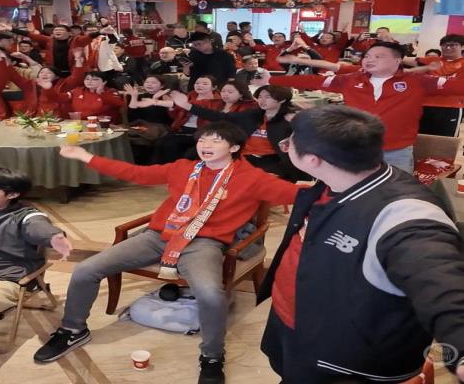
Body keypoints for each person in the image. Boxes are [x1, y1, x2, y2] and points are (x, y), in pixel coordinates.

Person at [32, 121, 299, 384]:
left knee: (210, 293)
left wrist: (321, 179)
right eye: (202, 139)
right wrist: (85, 156)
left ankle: (212, 356)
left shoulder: (252, 178)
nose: (205, 145)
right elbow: (135, 173)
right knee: (85, 269)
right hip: (159, 236)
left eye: (216, 140)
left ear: (234, 147)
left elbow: (297, 194)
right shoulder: (183, 168)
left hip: (204, 243)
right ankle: (73, 329)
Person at [258, 104, 464, 383]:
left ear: (313, 159)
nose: (285, 146)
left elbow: (439, 280)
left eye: (288, 143)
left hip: (343, 361)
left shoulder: (405, 215)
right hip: (295, 325)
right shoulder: (335, 181)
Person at [270, 42, 464, 173]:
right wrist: (271, 79)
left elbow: (458, 86)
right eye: (367, 56)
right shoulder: (352, 78)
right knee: (351, 194)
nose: (370, 59)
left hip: (397, 152)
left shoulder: (418, 81)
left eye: (379, 56)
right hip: (355, 148)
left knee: (396, 194)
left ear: (398, 60)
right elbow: (313, 81)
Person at [0, 166, 72, 383]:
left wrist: (54, 237)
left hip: (3, 279)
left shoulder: (24, 216)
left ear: (12, 194)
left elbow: (38, 227)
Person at [170, 85, 304, 182]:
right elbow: (221, 117)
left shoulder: (292, 118)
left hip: (271, 159)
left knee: (252, 180)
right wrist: (187, 105)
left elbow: (308, 137)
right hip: (244, 155)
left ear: (281, 100)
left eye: (268, 97)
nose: (262, 101)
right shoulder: (253, 115)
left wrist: (300, 122)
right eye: (259, 97)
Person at [406, 34, 464, 137]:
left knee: (446, 141)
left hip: (451, 107)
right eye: (444, 45)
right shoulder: (432, 61)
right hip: (424, 106)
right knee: (419, 138)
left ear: (462, 47)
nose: (448, 48)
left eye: (453, 45)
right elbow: (402, 59)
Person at [0, 23, 96, 77]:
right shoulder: (49, 40)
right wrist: (12, 29)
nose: (57, 31)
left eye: (61, 30)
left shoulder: (77, 40)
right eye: (56, 30)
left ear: (69, 33)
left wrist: (100, 32)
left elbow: (89, 36)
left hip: (73, 72)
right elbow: (31, 35)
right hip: (54, 72)